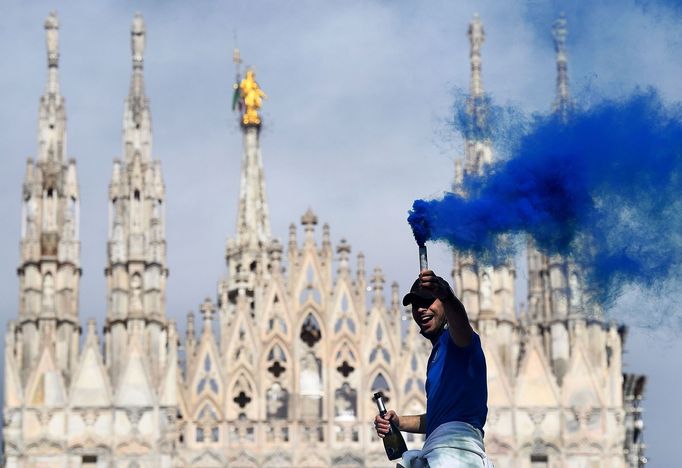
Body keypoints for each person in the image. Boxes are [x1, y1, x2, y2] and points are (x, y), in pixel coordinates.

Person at [374, 270, 493, 468]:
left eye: (428, 302)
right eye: (416, 305)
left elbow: (461, 324)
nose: (421, 309)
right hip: (437, 451)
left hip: (456, 455)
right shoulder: (436, 356)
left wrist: (448, 297)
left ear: (445, 306)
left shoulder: (458, 342)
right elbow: (438, 419)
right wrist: (399, 422)